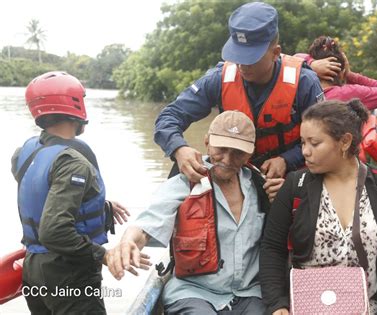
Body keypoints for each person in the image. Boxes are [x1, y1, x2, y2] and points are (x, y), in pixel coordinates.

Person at [106, 111, 270, 314]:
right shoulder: (185, 183)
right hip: (194, 292)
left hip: (249, 293)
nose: (227, 159)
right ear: (207, 141)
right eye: (222, 149)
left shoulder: (261, 186)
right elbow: (147, 225)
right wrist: (127, 242)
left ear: (250, 153)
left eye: (238, 153)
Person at [259, 99, 377, 314]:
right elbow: (272, 247)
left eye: (314, 143)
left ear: (345, 141)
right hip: (305, 308)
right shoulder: (295, 185)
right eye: (302, 143)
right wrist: (277, 304)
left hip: (368, 309)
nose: (305, 152)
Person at [154, 2, 324, 183]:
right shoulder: (219, 79)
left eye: (251, 58)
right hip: (236, 174)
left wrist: (287, 160)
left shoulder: (304, 82)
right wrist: (178, 149)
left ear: (275, 53)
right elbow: (169, 117)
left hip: (287, 179)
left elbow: (323, 139)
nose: (242, 65)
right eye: (238, 55)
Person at [11, 71, 130, 314]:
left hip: (33, 268)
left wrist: (98, 204)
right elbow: (54, 232)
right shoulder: (73, 162)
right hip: (67, 273)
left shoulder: (25, 151)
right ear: (75, 106)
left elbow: (40, 189)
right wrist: (103, 256)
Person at [295, 35, 377, 110]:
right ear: (342, 71)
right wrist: (350, 75)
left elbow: (294, 57)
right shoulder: (348, 94)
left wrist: (310, 64)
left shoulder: (298, 89)